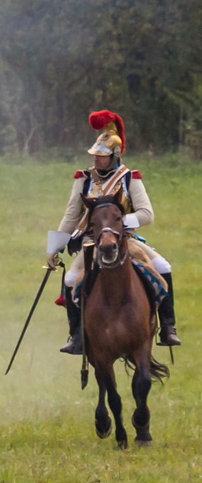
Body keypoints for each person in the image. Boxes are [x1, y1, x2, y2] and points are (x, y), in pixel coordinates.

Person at [54, 109, 178, 353]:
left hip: (124, 240)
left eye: (102, 155)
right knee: (70, 279)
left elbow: (146, 214)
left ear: (114, 155)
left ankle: (168, 327)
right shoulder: (83, 179)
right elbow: (71, 215)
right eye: (95, 155)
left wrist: (117, 226)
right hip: (91, 242)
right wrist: (54, 246)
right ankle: (77, 336)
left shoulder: (129, 178)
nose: (97, 159)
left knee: (164, 267)